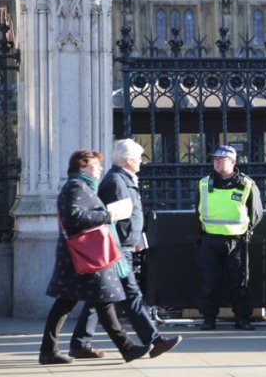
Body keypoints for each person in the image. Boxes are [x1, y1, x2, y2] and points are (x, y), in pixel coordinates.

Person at [68, 139, 182, 359]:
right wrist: (124, 240)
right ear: (128, 160)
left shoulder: (125, 179)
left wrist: (137, 237)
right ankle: (154, 340)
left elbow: (129, 214)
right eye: (139, 157)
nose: (141, 161)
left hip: (123, 246)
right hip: (116, 249)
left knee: (99, 297)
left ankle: (80, 343)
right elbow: (110, 217)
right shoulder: (116, 182)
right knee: (131, 294)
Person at [39, 149, 152, 365]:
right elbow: (74, 216)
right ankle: (125, 348)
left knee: (95, 301)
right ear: (82, 166)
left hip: (85, 255)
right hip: (82, 255)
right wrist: (107, 216)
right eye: (95, 164)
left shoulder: (83, 186)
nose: (100, 168)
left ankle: (50, 350)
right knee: (89, 301)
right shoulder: (76, 186)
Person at [197, 145, 263, 331]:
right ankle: (209, 319)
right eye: (215, 159)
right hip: (210, 239)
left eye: (221, 159)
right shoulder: (204, 183)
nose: (217, 162)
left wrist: (245, 230)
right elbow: (198, 210)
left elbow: (256, 213)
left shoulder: (246, 184)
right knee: (210, 281)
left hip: (236, 240)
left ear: (233, 162)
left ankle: (242, 318)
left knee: (239, 280)